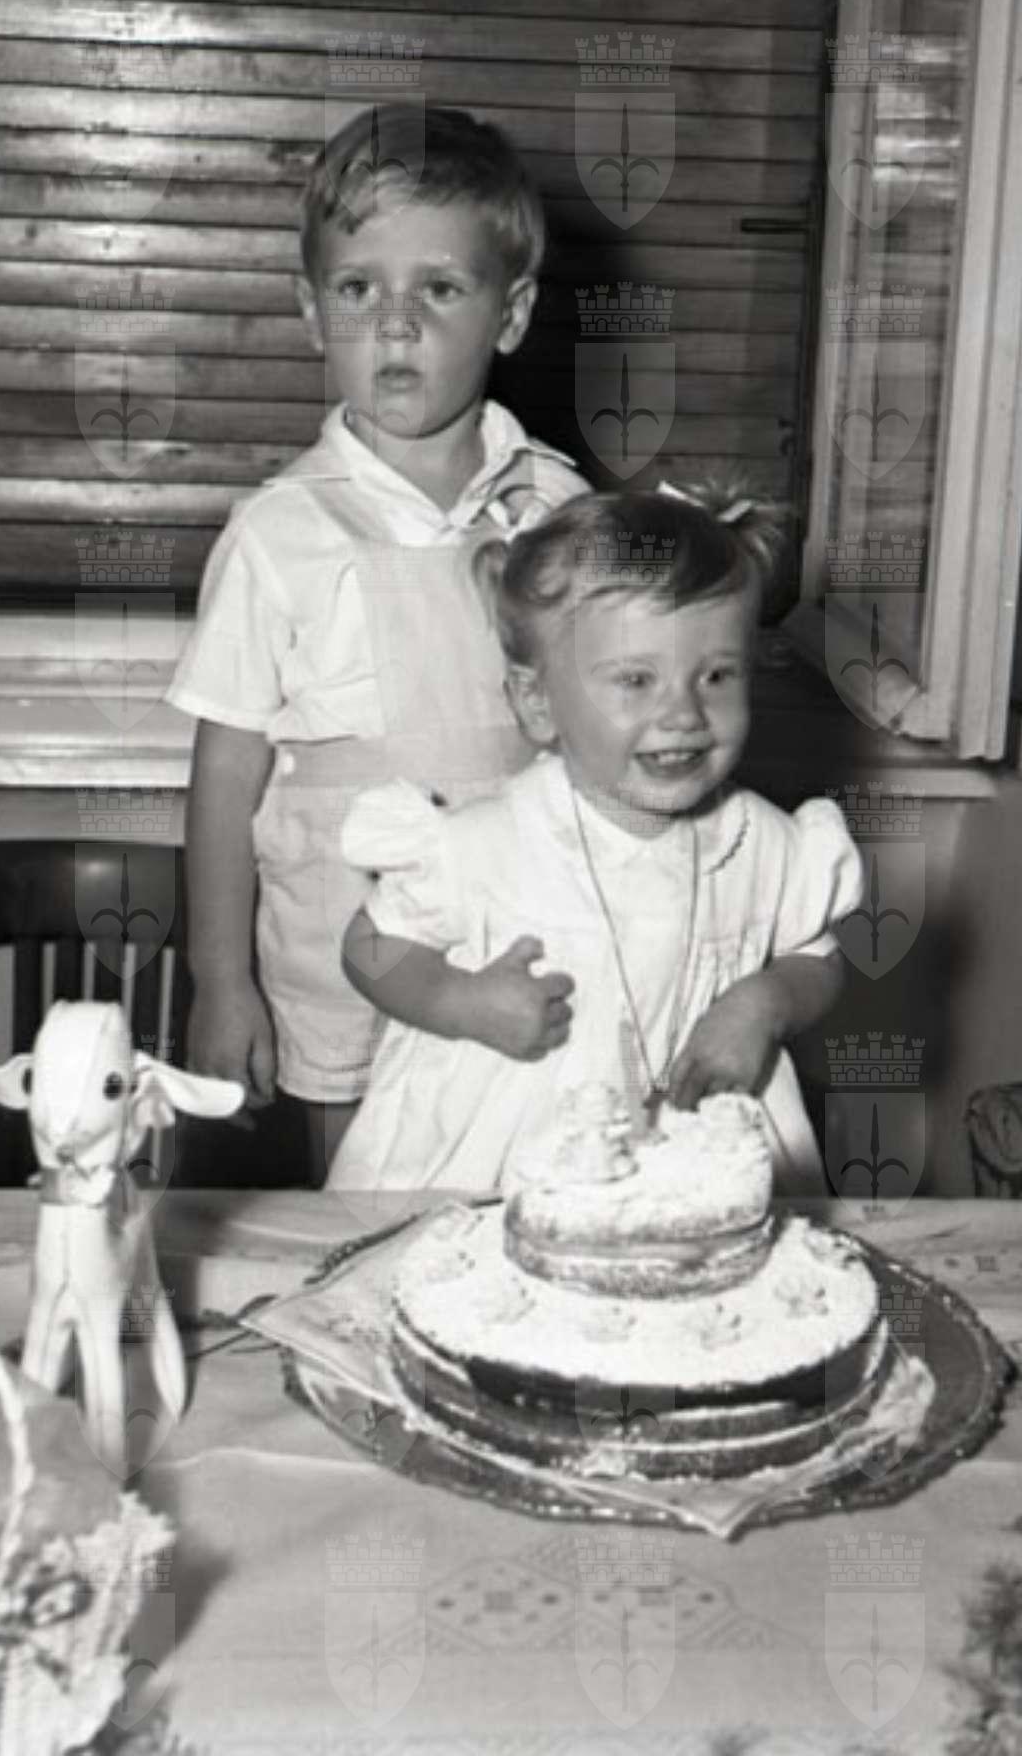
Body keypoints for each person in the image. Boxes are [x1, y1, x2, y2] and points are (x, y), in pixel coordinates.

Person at [169, 104, 587, 1182]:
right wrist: (222, 982)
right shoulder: (279, 531)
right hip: (341, 968)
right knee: (363, 1218)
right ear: (313, 312)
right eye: (359, 289)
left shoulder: (560, 512)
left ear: (510, 313)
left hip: (521, 948)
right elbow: (223, 780)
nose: (394, 325)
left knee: (534, 1196)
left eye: (437, 288)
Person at [326, 484, 865, 1194]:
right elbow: (369, 947)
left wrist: (764, 1003)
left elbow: (815, 960)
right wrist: (458, 1002)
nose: (683, 713)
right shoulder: (484, 844)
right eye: (636, 680)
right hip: (503, 1160)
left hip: (694, 1156)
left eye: (715, 675)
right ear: (537, 701)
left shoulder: (765, 843)